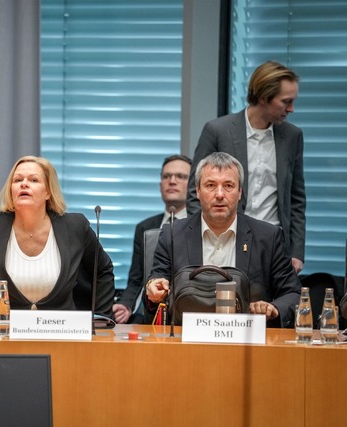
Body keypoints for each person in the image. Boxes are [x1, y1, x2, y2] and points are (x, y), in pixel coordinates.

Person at [0, 155, 115, 320]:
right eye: (18, 180)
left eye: (34, 180)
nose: (24, 184)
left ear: (48, 192)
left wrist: (101, 320)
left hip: (60, 334)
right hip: (2, 335)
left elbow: (103, 269)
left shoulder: (75, 226)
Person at [146, 152, 301, 328]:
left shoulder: (268, 237)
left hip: (247, 340)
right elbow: (155, 285)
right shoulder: (173, 234)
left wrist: (273, 308)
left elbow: (293, 294)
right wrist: (153, 290)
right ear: (197, 190)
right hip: (187, 341)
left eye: (228, 185)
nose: (219, 194)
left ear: (240, 192)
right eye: (210, 185)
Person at [187, 60, 306, 274]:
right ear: (263, 98)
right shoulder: (218, 130)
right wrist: (202, 240)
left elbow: (296, 199)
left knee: (270, 307)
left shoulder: (292, 136)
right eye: (286, 101)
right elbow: (194, 191)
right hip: (226, 240)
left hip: (273, 245)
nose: (291, 109)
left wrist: (296, 252)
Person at [113, 154, 191, 324]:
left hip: (187, 312)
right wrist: (125, 305)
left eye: (181, 176)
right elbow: (136, 281)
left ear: (193, 186)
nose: (172, 181)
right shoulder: (145, 227)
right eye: (166, 176)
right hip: (148, 311)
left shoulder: (200, 225)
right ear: (160, 185)